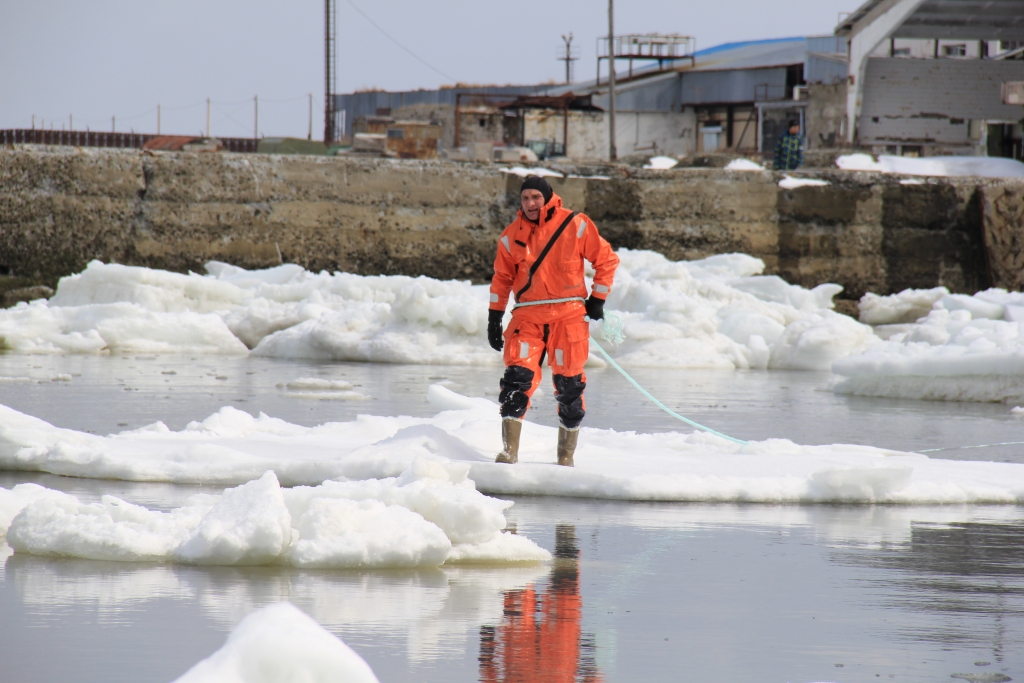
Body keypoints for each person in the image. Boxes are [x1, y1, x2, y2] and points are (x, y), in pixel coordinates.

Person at [487, 175, 619, 467]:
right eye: (525, 198)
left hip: (569, 319)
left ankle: (565, 457)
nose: (531, 203)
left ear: (547, 197)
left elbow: (606, 260)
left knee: (570, 386)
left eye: (535, 197)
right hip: (527, 318)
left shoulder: (576, 224)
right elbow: (502, 278)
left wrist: (597, 298)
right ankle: (509, 453)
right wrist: (494, 317)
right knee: (515, 383)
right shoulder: (511, 235)